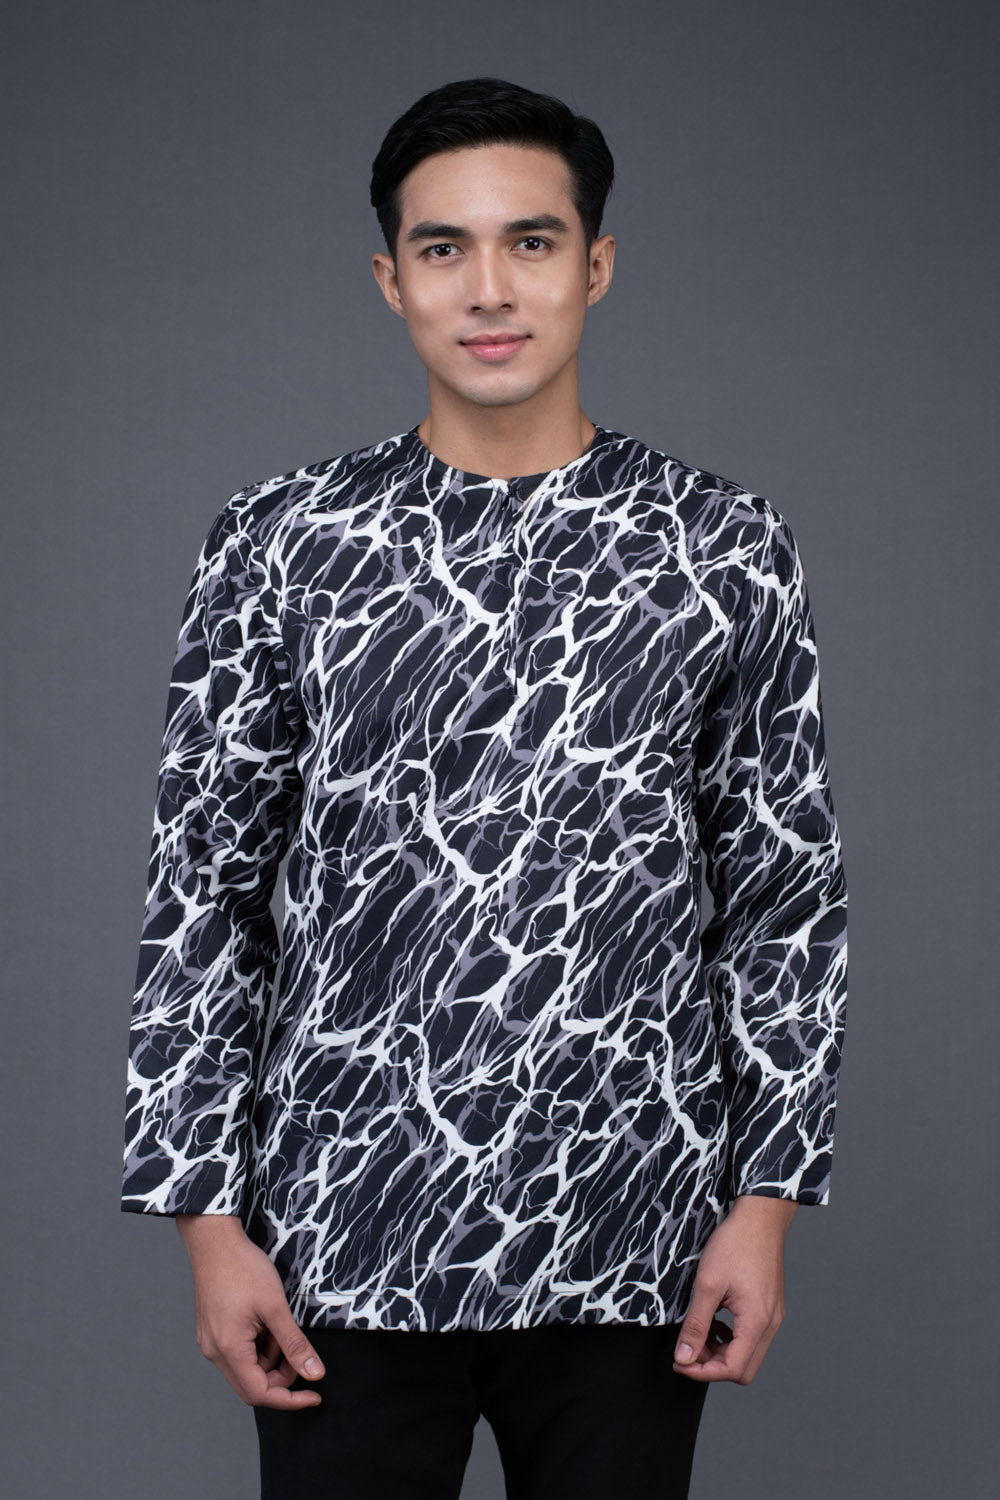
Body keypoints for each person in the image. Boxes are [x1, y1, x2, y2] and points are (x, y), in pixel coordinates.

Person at [122, 77, 848, 1500]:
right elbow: (203, 890)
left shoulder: (722, 544)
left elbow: (782, 895)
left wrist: (766, 1204)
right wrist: (207, 1223)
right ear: (392, 280)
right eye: (443, 248)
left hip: (632, 1234)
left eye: (531, 240)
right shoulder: (283, 542)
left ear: (597, 264)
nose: (489, 288)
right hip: (339, 1235)